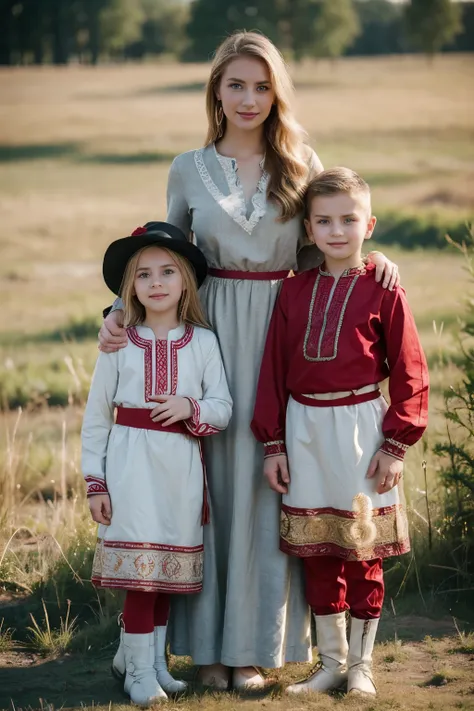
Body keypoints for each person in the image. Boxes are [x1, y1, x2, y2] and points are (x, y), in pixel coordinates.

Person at [98, 32, 400, 690]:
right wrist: (117, 314)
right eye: (235, 84)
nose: (249, 98)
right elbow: (165, 255)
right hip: (204, 338)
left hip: (281, 337)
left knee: (266, 490)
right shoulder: (186, 167)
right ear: (216, 90)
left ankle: (253, 649)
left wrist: (378, 266)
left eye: (262, 86)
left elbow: (328, 245)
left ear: (277, 94)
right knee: (203, 489)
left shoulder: (300, 161)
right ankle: (203, 646)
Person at [251, 167, 429, 697]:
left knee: (363, 548)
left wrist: (396, 444)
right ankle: (330, 663)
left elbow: (411, 370)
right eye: (324, 221)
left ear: (368, 224)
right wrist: (274, 444)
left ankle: (362, 667)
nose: (336, 231)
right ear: (308, 230)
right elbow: (272, 373)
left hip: (362, 429)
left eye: (348, 220)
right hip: (303, 429)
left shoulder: (383, 289)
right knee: (319, 549)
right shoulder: (293, 292)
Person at [82, 222, 232, 705]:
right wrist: (95, 482)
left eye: (168, 271)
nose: (157, 283)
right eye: (144, 275)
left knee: (164, 569)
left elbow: (223, 407)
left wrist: (193, 408)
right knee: (139, 573)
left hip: (181, 469)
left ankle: (154, 663)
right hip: (131, 468)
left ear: (186, 279)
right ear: (131, 287)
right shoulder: (119, 342)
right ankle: (138, 673)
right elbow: (96, 418)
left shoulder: (203, 342)